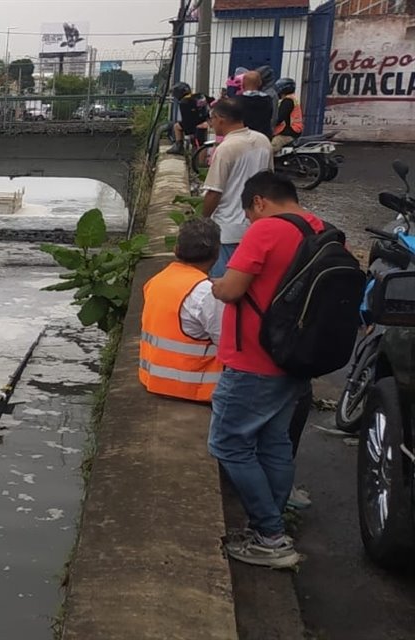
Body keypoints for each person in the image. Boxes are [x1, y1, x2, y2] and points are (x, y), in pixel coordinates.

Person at [208, 171, 317, 568]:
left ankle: (270, 536)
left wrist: (218, 284)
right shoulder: (321, 229)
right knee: (274, 443)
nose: (251, 223)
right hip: (296, 359)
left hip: (254, 359)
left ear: (258, 202)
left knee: (229, 444)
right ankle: (271, 528)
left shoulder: (266, 231)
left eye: (250, 215)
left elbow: (233, 289)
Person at [139, 218, 224, 403]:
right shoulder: (205, 293)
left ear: (176, 250)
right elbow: (228, 343)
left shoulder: (156, 281)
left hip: (154, 381)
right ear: (216, 253)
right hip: (194, 389)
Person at [201, 98, 273, 277]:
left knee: (223, 283)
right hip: (257, 224)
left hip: (228, 228)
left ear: (220, 119)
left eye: (212, 118)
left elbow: (213, 192)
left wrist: (203, 220)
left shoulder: (226, 148)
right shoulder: (263, 141)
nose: (211, 123)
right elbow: (270, 180)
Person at [166, 82, 210, 155]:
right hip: (205, 121)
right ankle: (201, 161)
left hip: (194, 124)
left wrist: (189, 132)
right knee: (201, 144)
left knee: (176, 126)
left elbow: (186, 119)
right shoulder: (199, 96)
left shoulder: (184, 102)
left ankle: (179, 147)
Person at [237, 70, 274, 140]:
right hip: (263, 138)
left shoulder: (237, 101)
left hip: (244, 138)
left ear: (243, 83)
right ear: (260, 83)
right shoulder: (268, 100)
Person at [272, 77, 304, 153]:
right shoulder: (291, 99)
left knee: (270, 149)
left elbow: (279, 118)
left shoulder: (288, 101)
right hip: (293, 131)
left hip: (288, 132)